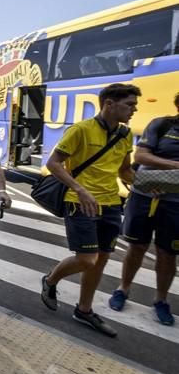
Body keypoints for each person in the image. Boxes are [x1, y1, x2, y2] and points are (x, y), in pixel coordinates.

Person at [40, 83, 140, 337]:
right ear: (109, 104)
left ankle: (84, 310)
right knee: (87, 259)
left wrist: (148, 186)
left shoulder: (125, 134)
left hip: (110, 204)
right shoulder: (81, 130)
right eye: (129, 104)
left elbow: (124, 170)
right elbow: (54, 164)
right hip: (79, 200)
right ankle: (50, 280)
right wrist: (80, 189)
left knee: (101, 259)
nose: (134, 110)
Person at [109, 92, 179, 326]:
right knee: (136, 247)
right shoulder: (162, 124)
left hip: (175, 203)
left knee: (168, 254)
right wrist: (173, 168)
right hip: (144, 195)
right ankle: (123, 289)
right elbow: (141, 155)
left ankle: (161, 300)